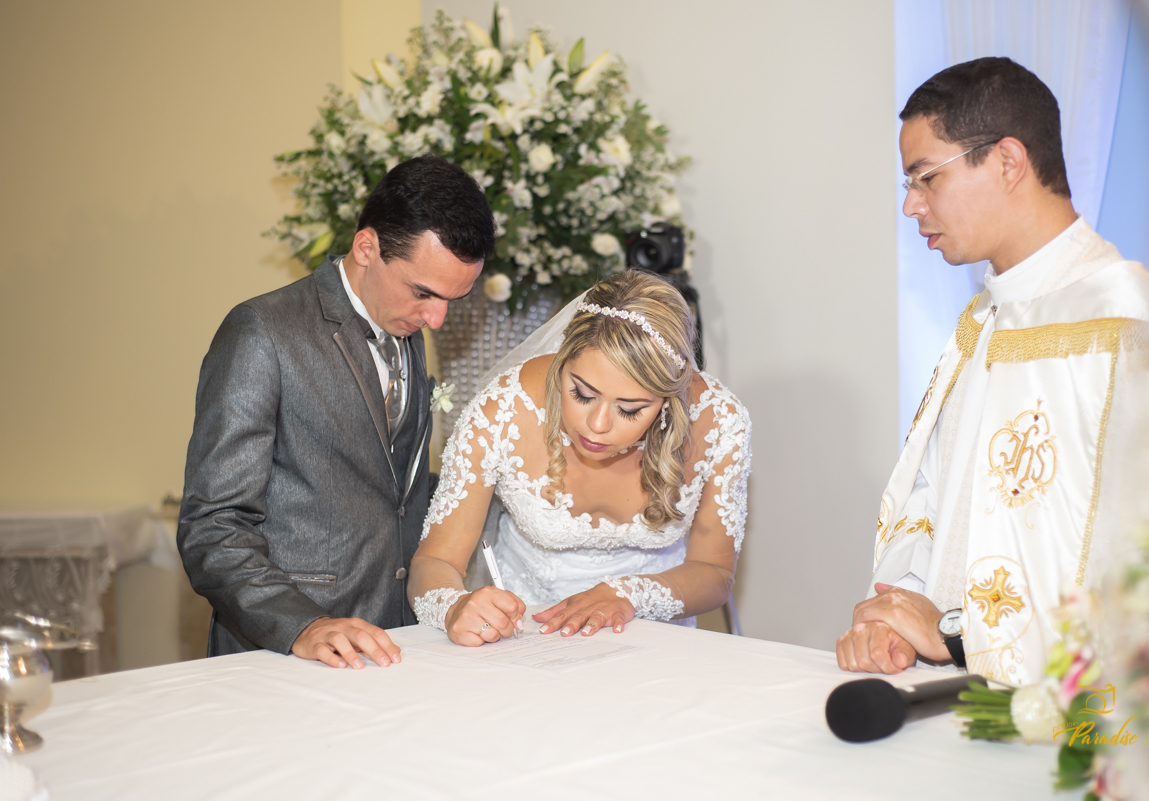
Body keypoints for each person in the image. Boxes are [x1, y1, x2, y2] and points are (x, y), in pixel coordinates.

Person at [837, 57, 1149, 684]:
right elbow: (933, 495)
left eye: (927, 177)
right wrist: (899, 612)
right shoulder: (983, 319)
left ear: (1008, 161)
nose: (911, 204)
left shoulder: (1125, 323)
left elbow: (1136, 557)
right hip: (956, 688)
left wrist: (958, 636)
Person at [178, 155, 493, 668]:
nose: (436, 319)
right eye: (423, 293)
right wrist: (303, 625)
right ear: (367, 248)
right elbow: (213, 525)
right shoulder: (263, 332)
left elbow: (389, 487)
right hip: (288, 651)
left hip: (395, 641)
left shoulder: (405, 326)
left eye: (451, 300)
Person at [407, 270, 751, 644]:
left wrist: (630, 594)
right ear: (562, 358)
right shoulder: (503, 411)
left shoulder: (719, 421)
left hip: (653, 642)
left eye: (630, 409)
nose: (597, 425)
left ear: (669, 398)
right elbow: (434, 562)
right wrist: (454, 606)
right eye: (582, 394)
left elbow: (715, 572)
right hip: (526, 639)